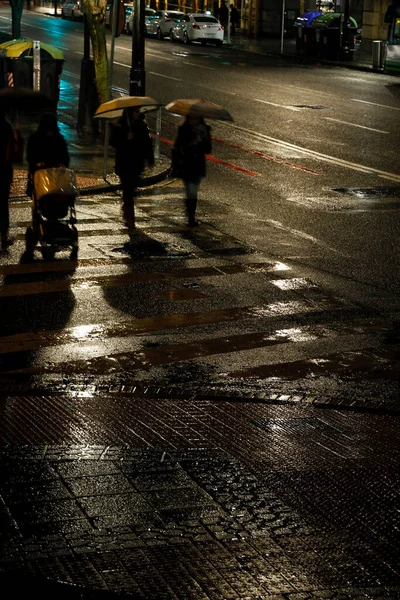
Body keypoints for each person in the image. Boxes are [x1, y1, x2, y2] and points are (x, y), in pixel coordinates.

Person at [110, 107, 154, 228]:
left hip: (136, 163)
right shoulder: (120, 125)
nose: (138, 114)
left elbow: (147, 144)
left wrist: (150, 160)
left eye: (139, 112)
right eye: (135, 112)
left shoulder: (142, 126)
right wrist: (125, 138)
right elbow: (113, 142)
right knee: (128, 189)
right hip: (124, 162)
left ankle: (126, 206)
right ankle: (130, 219)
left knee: (132, 188)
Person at [171, 114, 212, 227]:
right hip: (186, 164)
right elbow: (178, 146)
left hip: (198, 165)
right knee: (191, 190)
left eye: (196, 118)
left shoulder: (204, 130)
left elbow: (208, 149)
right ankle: (191, 217)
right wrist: (193, 142)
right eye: (192, 118)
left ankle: (191, 215)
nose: (193, 120)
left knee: (193, 191)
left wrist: (202, 140)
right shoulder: (184, 130)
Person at [26, 113, 70, 196]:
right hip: (45, 175)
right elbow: (65, 158)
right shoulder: (58, 139)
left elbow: (30, 156)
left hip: (51, 174)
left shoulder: (35, 138)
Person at [0, 113, 14, 252]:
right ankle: (3, 235)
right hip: (3, 170)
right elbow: (10, 150)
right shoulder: (6, 126)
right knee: (3, 204)